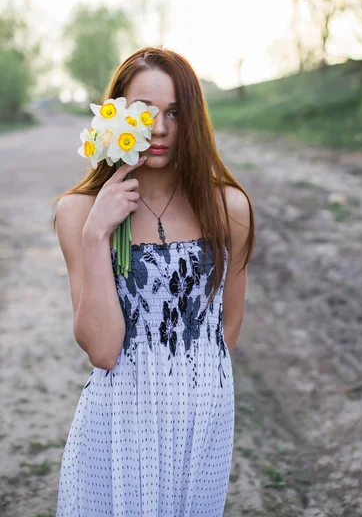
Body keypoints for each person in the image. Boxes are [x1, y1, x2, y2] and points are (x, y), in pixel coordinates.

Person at [52, 46, 256, 516]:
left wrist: (192, 392)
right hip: (119, 420)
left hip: (203, 421)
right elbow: (102, 350)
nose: (160, 128)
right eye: (143, 112)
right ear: (116, 117)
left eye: (175, 112)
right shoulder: (79, 213)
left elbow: (227, 326)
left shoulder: (230, 209)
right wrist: (97, 233)